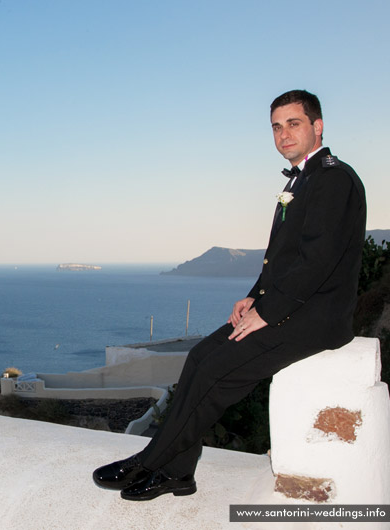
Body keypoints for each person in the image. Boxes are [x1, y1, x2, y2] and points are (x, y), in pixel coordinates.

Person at [93, 90, 366, 501]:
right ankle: (179, 474)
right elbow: (284, 258)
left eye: (294, 123)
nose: (283, 134)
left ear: (317, 126)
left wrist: (268, 312)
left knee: (216, 372)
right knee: (200, 355)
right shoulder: (304, 179)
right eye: (276, 126)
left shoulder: (333, 178)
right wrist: (253, 297)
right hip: (287, 306)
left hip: (313, 318)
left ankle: (150, 461)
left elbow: (317, 262)